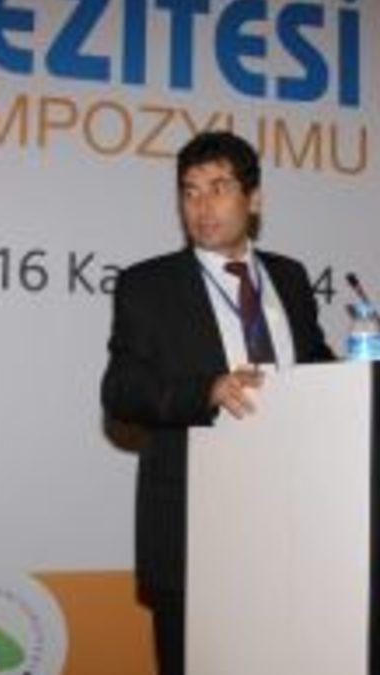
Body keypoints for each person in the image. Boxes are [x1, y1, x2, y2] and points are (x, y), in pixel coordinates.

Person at [101, 130, 334, 674]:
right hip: (195, 524)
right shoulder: (148, 285)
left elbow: (316, 365)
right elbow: (121, 391)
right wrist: (205, 390)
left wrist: (365, 371)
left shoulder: (291, 277)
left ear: (254, 199)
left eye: (219, 188)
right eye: (190, 191)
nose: (202, 206)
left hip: (293, 520)